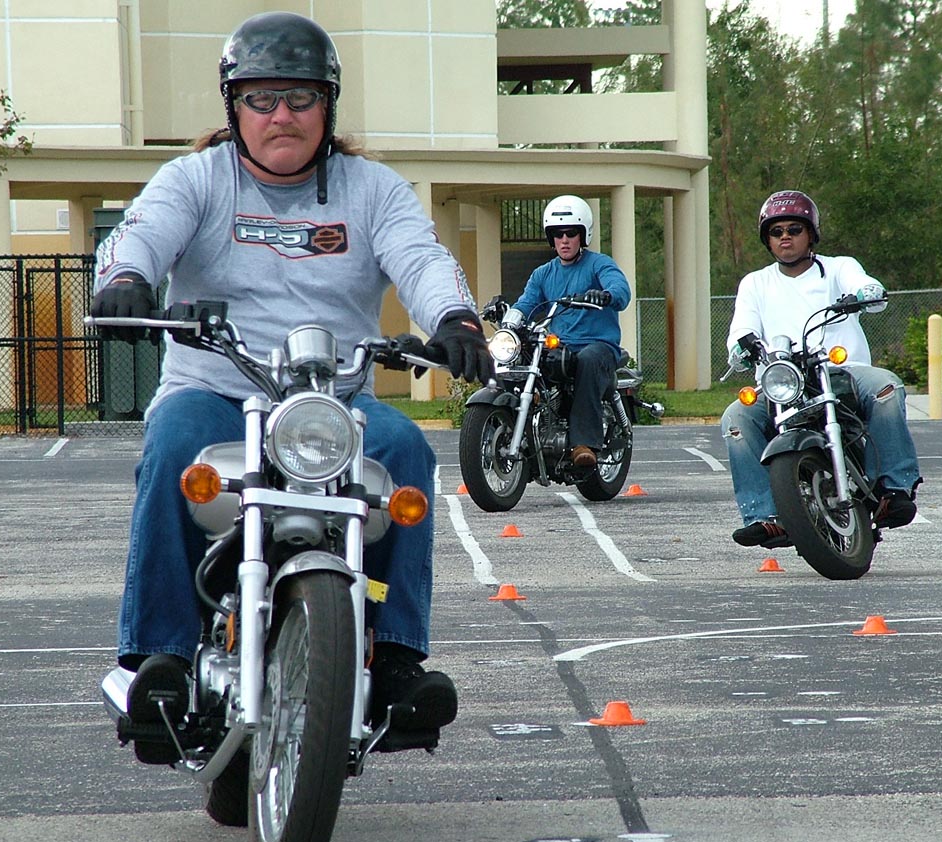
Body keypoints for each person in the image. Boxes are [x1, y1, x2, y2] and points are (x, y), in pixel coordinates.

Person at [89, 11, 493, 758]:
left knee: (406, 451)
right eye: (262, 97)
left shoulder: (373, 190)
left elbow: (422, 258)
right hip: (215, 388)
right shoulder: (196, 179)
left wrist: (456, 319)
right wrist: (126, 280)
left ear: (328, 105)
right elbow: (138, 236)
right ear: (233, 106)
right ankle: (158, 657)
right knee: (175, 445)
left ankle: (395, 655)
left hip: (334, 401)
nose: (282, 115)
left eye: (301, 97)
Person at [721, 189, 922, 548]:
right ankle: (764, 516)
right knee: (736, 418)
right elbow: (741, 329)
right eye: (776, 231)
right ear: (767, 239)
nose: (785, 237)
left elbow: (865, 284)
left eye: (794, 229)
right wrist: (740, 346)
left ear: (811, 234)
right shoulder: (755, 282)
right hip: (784, 380)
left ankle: (894, 488)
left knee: (886, 388)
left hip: (843, 372)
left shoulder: (838, 268)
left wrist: (866, 292)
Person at [502, 195, 631, 467]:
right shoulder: (543, 273)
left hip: (598, 345)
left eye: (571, 233)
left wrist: (606, 295)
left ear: (583, 235)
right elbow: (526, 302)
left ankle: (583, 443)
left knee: (587, 360)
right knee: (521, 360)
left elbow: (620, 288)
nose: (564, 240)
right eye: (557, 234)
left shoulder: (599, 264)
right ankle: (520, 429)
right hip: (561, 345)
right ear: (551, 237)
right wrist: (510, 320)